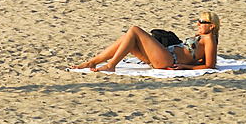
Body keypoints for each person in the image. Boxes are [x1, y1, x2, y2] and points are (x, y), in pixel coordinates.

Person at [70, 12, 219, 72]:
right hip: (163, 58)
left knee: (134, 30)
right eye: (198, 21)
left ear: (211, 25)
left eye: (202, 21)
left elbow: (210, 65)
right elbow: (200, 60)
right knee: (129, 39)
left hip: (168, 59)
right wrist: (188, 64)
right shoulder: (203, 38)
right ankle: (93, 62)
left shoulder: (210, 38)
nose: (198, 23)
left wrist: (183, 66)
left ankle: (111, 65)